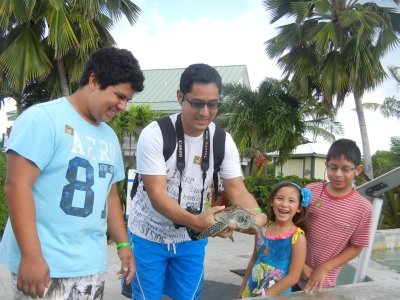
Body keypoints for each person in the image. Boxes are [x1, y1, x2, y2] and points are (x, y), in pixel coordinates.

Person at [0, 47, 145, 299]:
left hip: (91, 265)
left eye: (127, 100)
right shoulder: (43, 118)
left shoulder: (110, 136)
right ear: (93, 81)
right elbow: (17, 185)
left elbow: (109, 195)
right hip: (44, 266)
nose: (122, 106)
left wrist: (123, 245)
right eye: (119, 96)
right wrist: (32, 256)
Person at [127, 63, 267, 300]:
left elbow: (237, 190)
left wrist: (257, 216)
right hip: (148, 235)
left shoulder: (222, 140)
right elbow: (157, 197)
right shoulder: (156, 134)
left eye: (213, 104)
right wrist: (199, 222)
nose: (205, 112)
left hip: (191, 239)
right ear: (180, 97)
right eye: (197, 103)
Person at [294, 138, 373, 292]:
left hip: (323, 282)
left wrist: (324, 268)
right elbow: (293, 226)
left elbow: (357, 246)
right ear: (326, 165)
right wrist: (299, 264)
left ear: (357, 170)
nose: (338, 174)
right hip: (291, 268)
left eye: (345, 169)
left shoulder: (363, 208)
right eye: (333, 167)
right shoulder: (311, 191)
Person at [239, 181, 310, 298]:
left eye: (291, 201)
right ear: (272, 201)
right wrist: (241, 291)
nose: (284, 204)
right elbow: (254, 260)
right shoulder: (261, 229)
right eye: (280, 198)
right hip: (251, 292)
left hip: (277, 296)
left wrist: (264, 295)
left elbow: (293, 277)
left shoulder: (298, 238)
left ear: (298, 208)